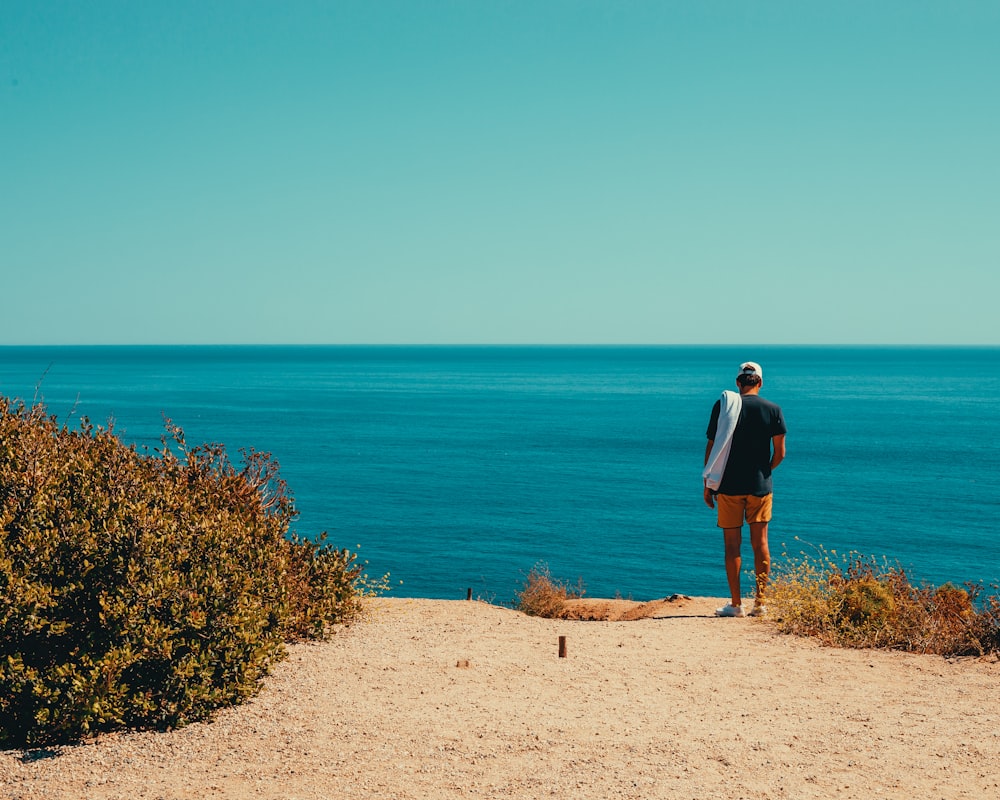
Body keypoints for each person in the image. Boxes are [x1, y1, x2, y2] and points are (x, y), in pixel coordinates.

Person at [703, 361, 786, 617]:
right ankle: (759, 603)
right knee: (760, 543)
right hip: (760, 487)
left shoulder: (723, 406)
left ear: (738, 383)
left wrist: (708, 483)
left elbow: (712, 448)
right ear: (760, 382)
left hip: (728, 486)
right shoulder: (773, 409)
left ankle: (736, 604)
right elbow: (780, 453)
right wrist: (764, 471)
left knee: (732, 545)